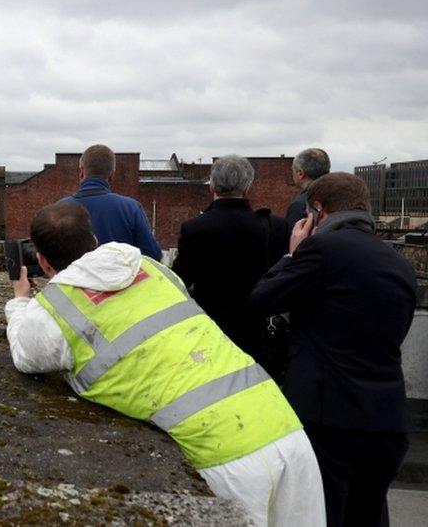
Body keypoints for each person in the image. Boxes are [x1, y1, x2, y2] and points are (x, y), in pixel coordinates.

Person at [6, 203, 324, 526]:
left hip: (225, 455)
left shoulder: (57, 307)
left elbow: (23, 353)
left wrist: (19, 302)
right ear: (94, 239)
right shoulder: (151, 267)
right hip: (284, 427)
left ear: (42, 261)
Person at [249, 173, 417, 527]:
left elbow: (262, 299)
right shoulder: (399, 263)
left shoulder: (321, 249)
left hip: (330, 417)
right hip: (388, 419)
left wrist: (291, 253)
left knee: (323, 513)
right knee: (369, 514)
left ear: (317, 211)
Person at [172, 155, 289, 375]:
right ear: (248, 187)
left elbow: (179, 280)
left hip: (211, 331)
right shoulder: (275, 227)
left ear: (212, 186)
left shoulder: (194, 228)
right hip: (257, 333)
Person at [59, 144, 162, 260]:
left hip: (71, 278)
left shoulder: (58, 210)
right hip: (121, 277)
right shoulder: (131, 208)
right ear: (112, 175)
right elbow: (153, 255)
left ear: (81, 171)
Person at [286, 148, 331, 225]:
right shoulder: (340, 196)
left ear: (300, 173)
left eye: (293, 170)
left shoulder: (300, 206)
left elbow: (295, 236)